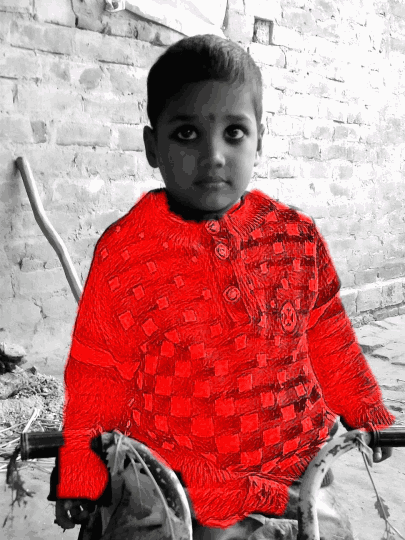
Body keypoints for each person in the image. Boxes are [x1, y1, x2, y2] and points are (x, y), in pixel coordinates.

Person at [48, 34, 395, 539]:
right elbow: (96, 369)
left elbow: (326, 330)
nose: (213, 155)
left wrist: (363, 405)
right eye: (187, 133)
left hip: (294, 468)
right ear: (152, 146)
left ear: (260, 140)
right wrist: (80, 463)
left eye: (234, 132)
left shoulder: (295, 237)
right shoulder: (125, 252)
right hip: (168, 477)